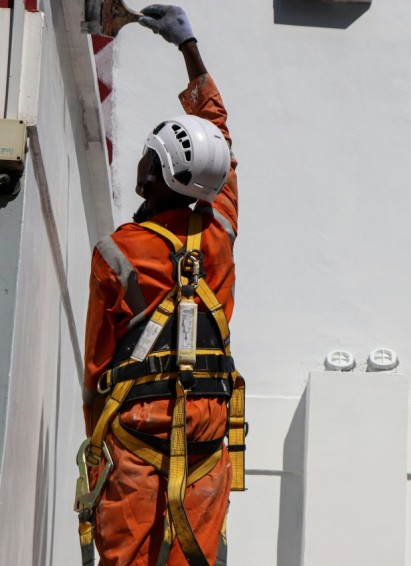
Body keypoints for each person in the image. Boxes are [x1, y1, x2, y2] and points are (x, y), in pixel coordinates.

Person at [79, 5, 245, 565]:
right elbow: (218, 138)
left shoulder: (117, 252)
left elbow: (98, 369)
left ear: (155, 175)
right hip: (205, 458)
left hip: (134, 457)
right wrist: (189, 48)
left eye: (149, 154)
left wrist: (98, 448)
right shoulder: (220, 230)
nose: (140, 159)